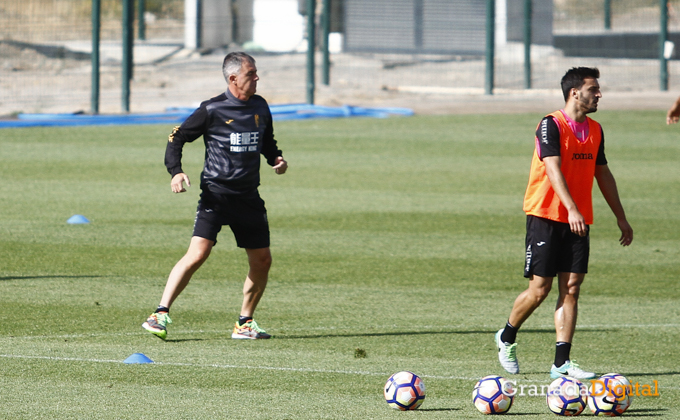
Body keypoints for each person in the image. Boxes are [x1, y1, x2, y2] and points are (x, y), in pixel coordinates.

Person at [495, 67, 633, 379]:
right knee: (539, 290)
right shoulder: (550, 125)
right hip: (546, 215)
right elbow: (553, 169)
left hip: (578, 219)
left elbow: (603, 174)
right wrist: (571, 208)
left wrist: (621, 217)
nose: (599, 94)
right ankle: (506, 337)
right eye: (593, 89)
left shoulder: (596, 130)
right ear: (574, 93)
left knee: (571, 287)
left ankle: (561, 363)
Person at [142, 52, 288, 341]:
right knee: (197, 254)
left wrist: (276, 158)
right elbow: (177, 137)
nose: (257, 78)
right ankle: (159, 314)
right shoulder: (212, 109)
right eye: (251, 74)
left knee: (262, 261)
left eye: (256, 72)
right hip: (216, 196)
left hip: (249, 198)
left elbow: (266, 140)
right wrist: (176, 171)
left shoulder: (260, 106)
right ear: (233, 79)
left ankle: (244, 323)